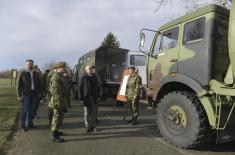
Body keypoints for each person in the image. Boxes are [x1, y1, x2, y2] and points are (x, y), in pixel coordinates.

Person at [17, 59, 42, 131]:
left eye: (31, 64)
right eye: (28, 64)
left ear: (33, 65)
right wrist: (19, 95)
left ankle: (30, 123)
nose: (30, 65)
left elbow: (39, 83)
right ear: (26, 65)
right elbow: (18, 85)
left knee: (32, 110)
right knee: (24, 110)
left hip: (34, 94)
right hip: (26, 94)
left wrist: (40, 93)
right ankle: (22, 126)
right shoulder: (22, 73)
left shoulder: (36, 73)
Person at [48, 62, 67, 143]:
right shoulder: (56, 77)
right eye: (63, 67)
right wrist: (57, 103)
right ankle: (54, 135)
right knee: (56, 118)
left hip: (60, 100)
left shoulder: (59, 76)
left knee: (59, 117)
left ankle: (56, 132)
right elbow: (55, 92)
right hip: (57, 101)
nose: (64, 69)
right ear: (58, 68)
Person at [79, 65, 100, 133]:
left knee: (94, 113)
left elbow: (97, 87)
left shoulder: (94, 77)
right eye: (89, 69)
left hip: (94, 98)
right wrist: (81, 99)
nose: (90, 70)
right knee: (87, 113)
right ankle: (88, 127)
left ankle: (93, 126)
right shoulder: (83, 77)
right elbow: (80, 88)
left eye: (91, 68)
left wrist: (98, 96)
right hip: (86, 98)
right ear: (86, 70)